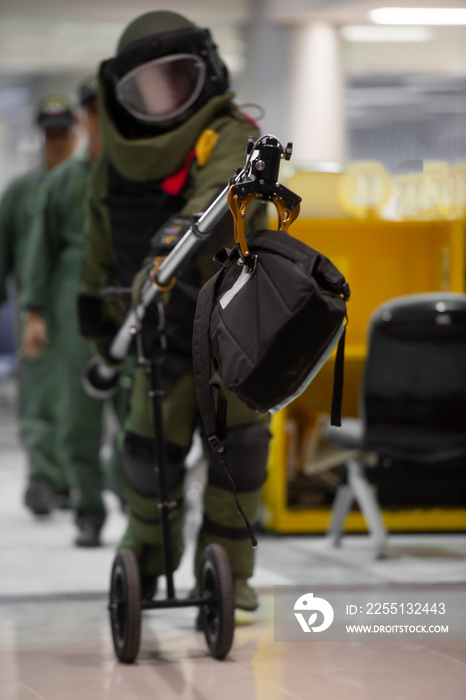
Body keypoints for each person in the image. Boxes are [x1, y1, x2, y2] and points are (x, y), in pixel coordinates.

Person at [79, 10, 270, 610]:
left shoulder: (233, 136)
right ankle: (145, 560)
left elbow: (214, 203)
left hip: (236, 332)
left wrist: (159, 263)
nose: (164, 99)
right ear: (123, 97)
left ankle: (230, 577)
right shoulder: (113, 165)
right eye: (147, 88)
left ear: (205, 74)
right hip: (158, 337)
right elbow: (99, 251)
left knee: (238, 458)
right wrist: (102, 327)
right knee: (146, 458)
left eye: (177, 80)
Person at [21, 77, 127, 547]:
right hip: (71, 312)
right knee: (76, 422)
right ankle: (88, 510)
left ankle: (135, 504)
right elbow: (39, 251)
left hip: (126, 309)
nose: (98, 118)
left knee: (138, 417)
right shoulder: (63, 182)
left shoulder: (134, 176)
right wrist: (35, 314)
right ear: (84, 119)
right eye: (92, 111)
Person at [0, 95, 76, 516]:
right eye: (50, 134)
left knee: (76, 400)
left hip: (80, 311)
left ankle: (69, 479)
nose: (57, 141)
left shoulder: (88, 186)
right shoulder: (21, 193)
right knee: (39, 398)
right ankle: (43, 480)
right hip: (37, 311)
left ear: (75, 134)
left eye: (63, 133)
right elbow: (3, 249)